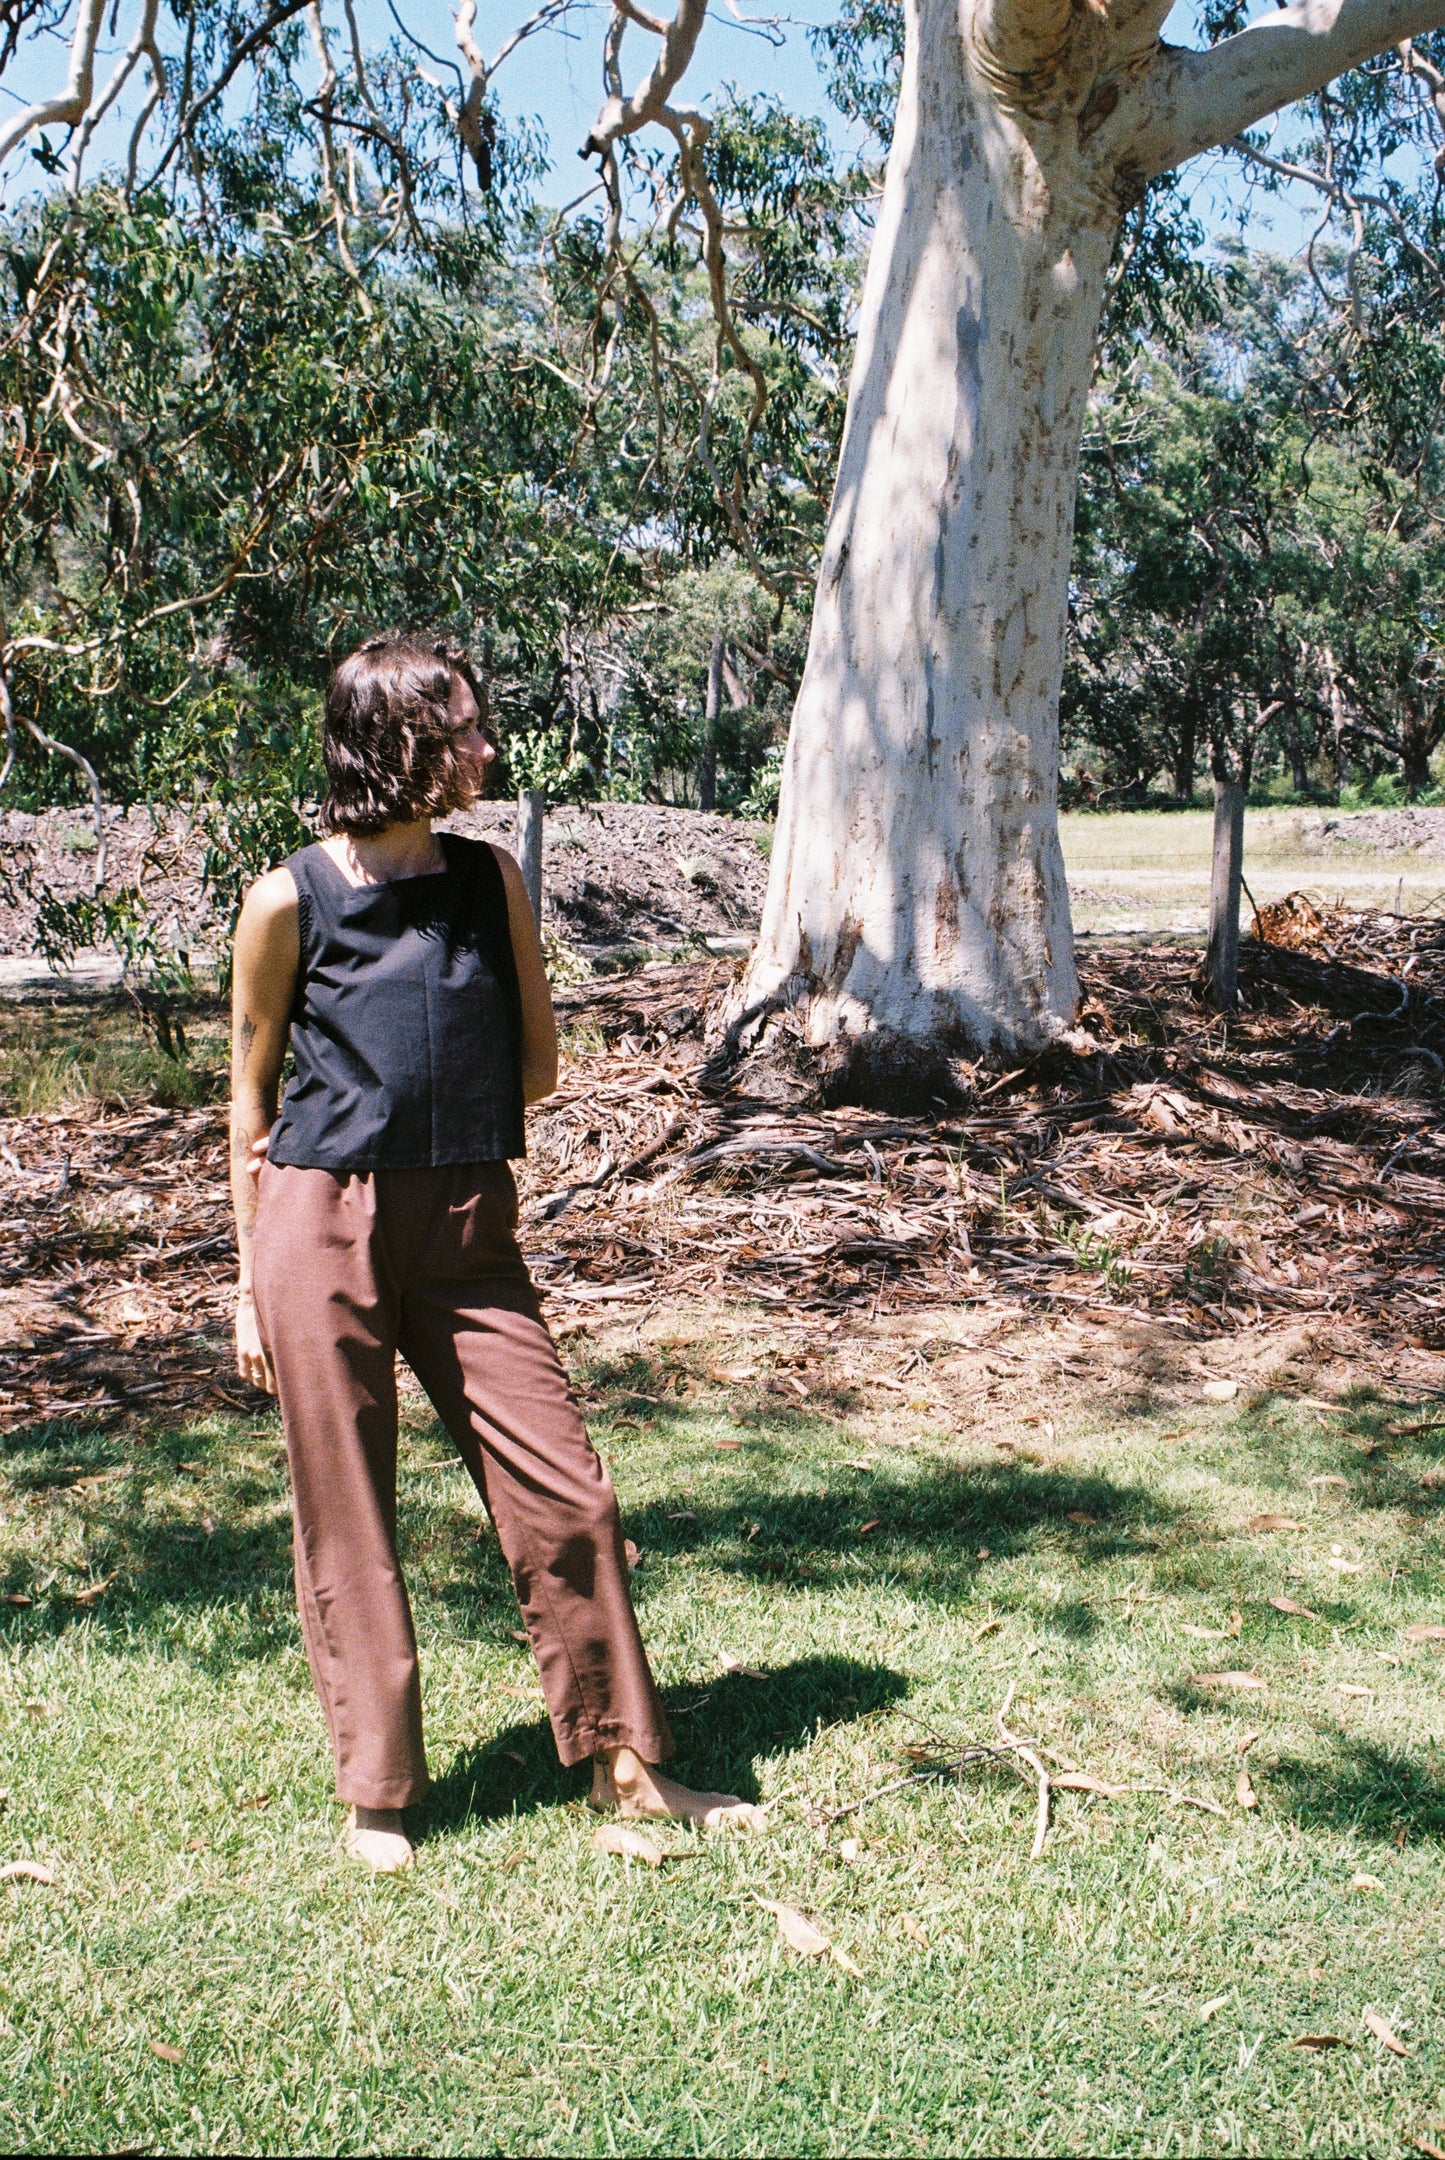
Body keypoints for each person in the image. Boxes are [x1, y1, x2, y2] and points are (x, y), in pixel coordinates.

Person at [229, 636, 757, 1871]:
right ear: (397, 742)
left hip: (469, 1223)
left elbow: (537, 1058)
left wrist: (453, 1132)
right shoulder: (287, 897)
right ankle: (378, 1789)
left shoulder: (488, 879)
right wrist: (250, 1277)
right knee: (348, 1511)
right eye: (462, 730)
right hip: (321, 1221)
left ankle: (624, 1763)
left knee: (566, 1486)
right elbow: (249, 1105)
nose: (484, 749)